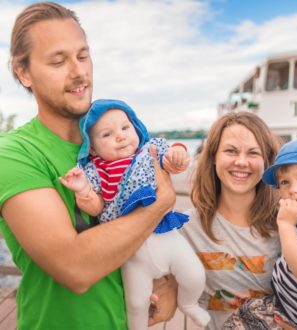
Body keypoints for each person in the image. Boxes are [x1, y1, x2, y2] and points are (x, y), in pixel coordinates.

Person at [0, 2, 177, 329]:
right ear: (23, 72)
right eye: (58, 60)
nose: (78, 71)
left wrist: (168, 282)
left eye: (83, 56)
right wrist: (160, 204)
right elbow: (74, 267)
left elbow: (149, 237)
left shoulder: (116, 142)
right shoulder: (13, 153)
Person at [59, 99, 210, 329]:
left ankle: (189, 304)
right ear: (92, 147)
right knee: (136, 303)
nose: (120, 136)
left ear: (136, 128)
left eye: (125, 128)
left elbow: (171, 157)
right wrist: (82, 190)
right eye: (107, 135)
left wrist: (178, 155)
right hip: (131, 248)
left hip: (163, 233)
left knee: (195, 274)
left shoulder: (148, 152)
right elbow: (96, 207)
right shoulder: (95, 170)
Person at [179, 111, 282, 329]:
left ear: (267, 162)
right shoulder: (186, 227)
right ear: (214, 157)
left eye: (253, 153)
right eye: (231, 151)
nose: (241, 162)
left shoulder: (286, 224)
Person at [223, 138, 297, 330]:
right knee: (241, 315)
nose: (293, 190)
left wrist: (285, 225)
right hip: (285, 302)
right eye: (285, 182)